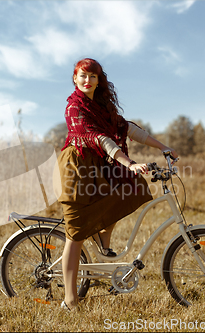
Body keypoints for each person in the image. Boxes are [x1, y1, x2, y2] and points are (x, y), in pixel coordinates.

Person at [57, 58, 178, 310]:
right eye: (82, 76)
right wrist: (128, 162)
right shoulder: (74, 108)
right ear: (75, 79)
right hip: (78, 166)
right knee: (76, 232)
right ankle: (70, 299)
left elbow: (127, 129)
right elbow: (98, 139)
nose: (87, 80)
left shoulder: (103, 107)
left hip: (102, 163)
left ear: (99, 80)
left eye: (92, 76)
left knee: (126, 190)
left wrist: (163, 147)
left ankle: (104, 240)